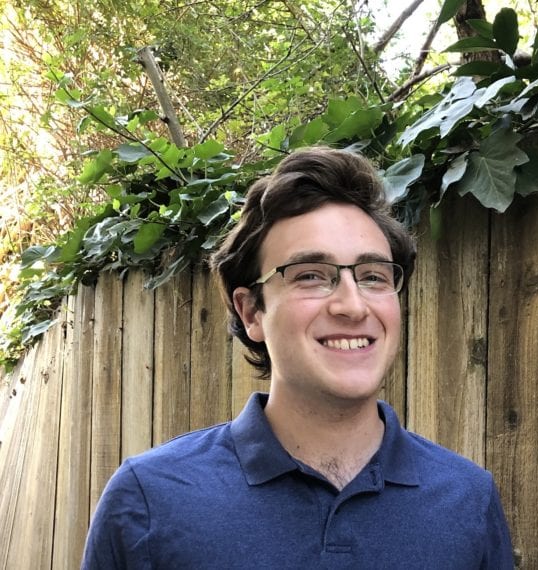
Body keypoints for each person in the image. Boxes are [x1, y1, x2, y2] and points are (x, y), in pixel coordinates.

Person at [81, 147, 514, 568]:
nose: (353, 305)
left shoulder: (467, 498)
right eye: (311, 276)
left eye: (373, 277)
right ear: (251, 312)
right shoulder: (150, 500)